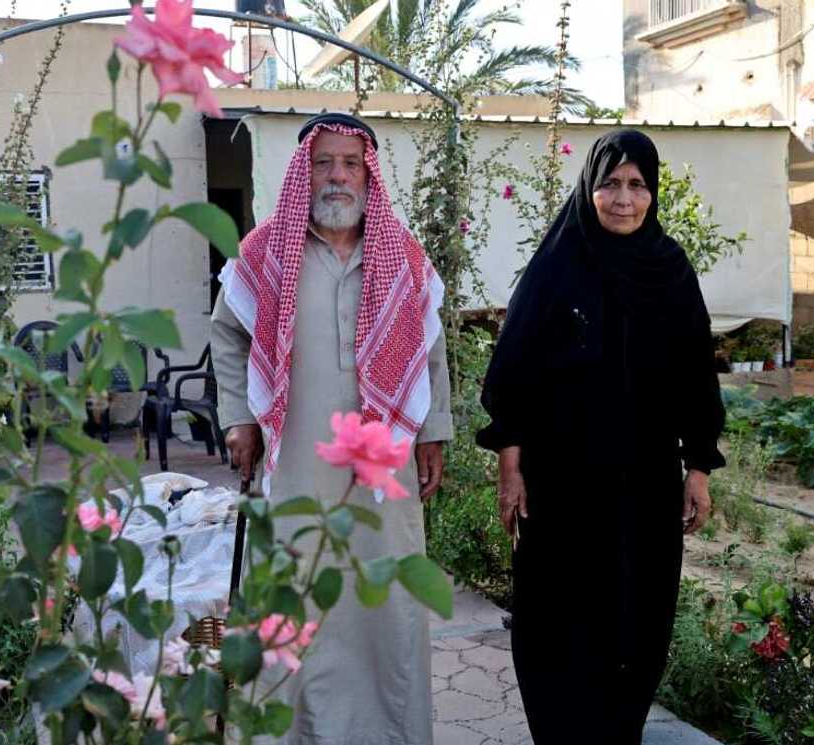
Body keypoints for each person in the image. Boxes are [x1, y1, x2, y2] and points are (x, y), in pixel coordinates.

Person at [476, 129, 726, 743]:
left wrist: (698, 466)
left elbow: (696, 372)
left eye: (637, 185)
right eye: (610, 183)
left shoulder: (669, 269)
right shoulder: (558, 265)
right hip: (560, 483)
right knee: (558, 617)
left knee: (637, 614)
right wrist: (510, 464)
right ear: (589, 187)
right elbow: (512, 369)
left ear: (653, 193)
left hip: (644, 483)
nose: (623, 199)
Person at [210, 112, 452, 745]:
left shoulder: (403, 255)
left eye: (350, 163)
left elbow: (431, 348)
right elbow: (228, 334)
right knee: (294, 592)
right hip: (295, 464)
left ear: (368, 173)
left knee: (387, 596)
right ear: (303, 173)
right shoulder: (264, 253)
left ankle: (387, 733)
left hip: (382, 468)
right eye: (324, 163)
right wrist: (238, 416)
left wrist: (434, 431)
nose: (337, 175)